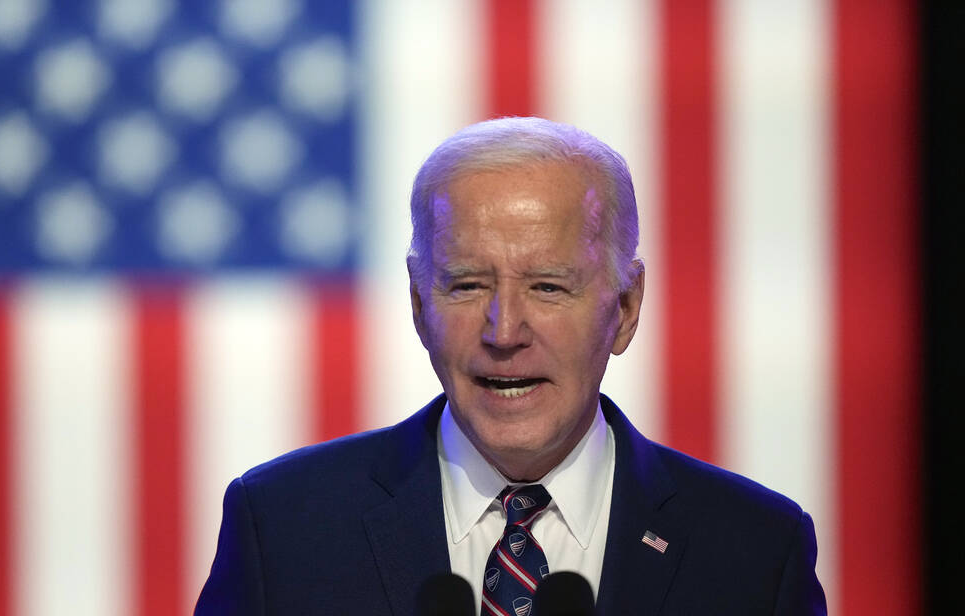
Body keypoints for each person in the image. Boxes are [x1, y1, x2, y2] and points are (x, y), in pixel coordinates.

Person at [195, 117, 826, 615]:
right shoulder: (283, 527)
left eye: (549, 287)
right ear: (419, 304)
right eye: (467, 286)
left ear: (626, 308)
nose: (504, 332)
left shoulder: (755, 551)